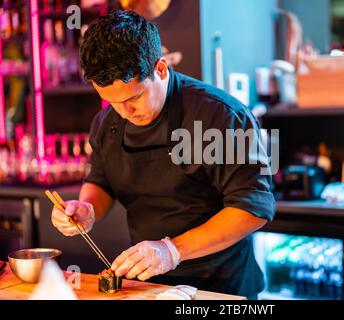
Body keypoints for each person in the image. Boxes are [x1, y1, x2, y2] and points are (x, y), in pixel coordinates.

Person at [50, 10, 276, 299]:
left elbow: (253, 208)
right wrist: (85, 208)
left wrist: (173, 249)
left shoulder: (222, 116)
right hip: (150, 287)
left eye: (134, 98)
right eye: (111, 101)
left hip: (220, 287)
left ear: (160, 69)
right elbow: (101, 180)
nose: (124, 112)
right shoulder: (106, 123)